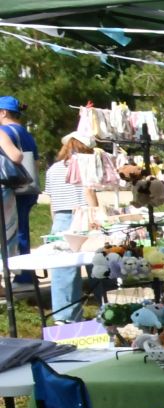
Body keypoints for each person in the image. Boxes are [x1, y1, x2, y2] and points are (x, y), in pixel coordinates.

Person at [41, 128, 102, 323]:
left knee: (63, 270)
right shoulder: (86, 166)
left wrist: (56, 224)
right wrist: (97, 217)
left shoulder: (53, 170)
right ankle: (107, 308)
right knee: (99, 265)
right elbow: (89, 194)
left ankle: (65, 316)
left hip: (61, 219)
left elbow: (53, 203)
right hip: (84, 217)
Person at [0, 95, 39, 274]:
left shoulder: (5, 131)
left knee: (12, 233)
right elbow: (35, 160)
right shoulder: (25, 133)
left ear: (3, 112)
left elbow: (14, 156)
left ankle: (22, 275)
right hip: (27, 185)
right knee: (20, 230)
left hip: (10, 185)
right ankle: (25, 274)